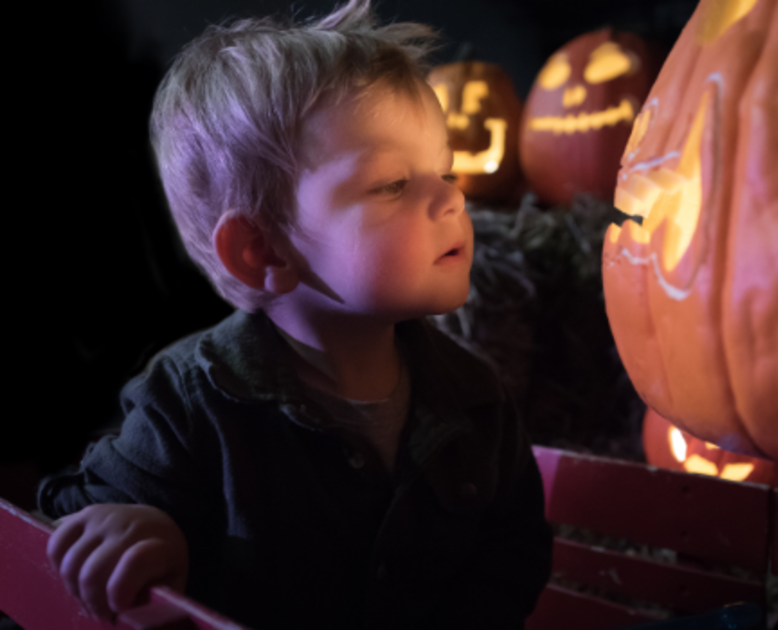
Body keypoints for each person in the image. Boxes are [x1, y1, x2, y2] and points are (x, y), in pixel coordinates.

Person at [37, 1, 553, 628]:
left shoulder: (476, 400)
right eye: (393, 183)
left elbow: (514, 551)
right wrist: (137, 527)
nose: (451, 196)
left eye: (443, 171)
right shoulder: (186, 406)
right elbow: (58, 530)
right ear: (264, 251)